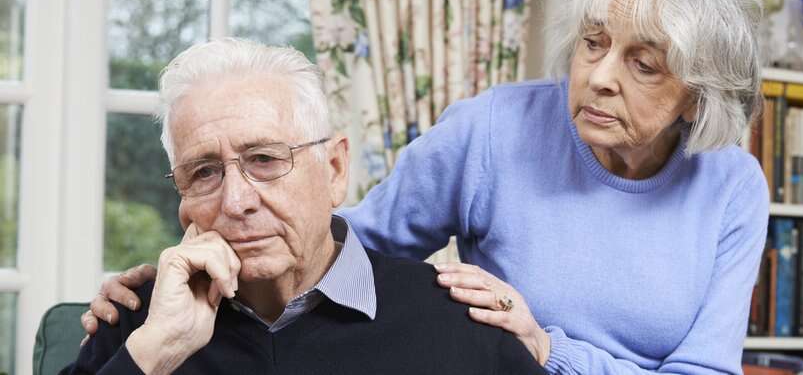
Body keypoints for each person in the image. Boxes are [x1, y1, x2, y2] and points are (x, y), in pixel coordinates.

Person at [85, 0, 770, 372]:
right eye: (592, 44)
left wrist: (547, 348)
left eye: (642, 64)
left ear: (698, 94)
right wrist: (177, 278)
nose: (598, 77)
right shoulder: (495, 129)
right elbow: (335, 237)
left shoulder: (733, 188)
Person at [61, 39, 546, 375]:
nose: (236, 201)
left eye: (266, 160)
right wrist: (153, 352)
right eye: (205, 172)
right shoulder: (143, 325)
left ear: (335, 169)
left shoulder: (459, 322)